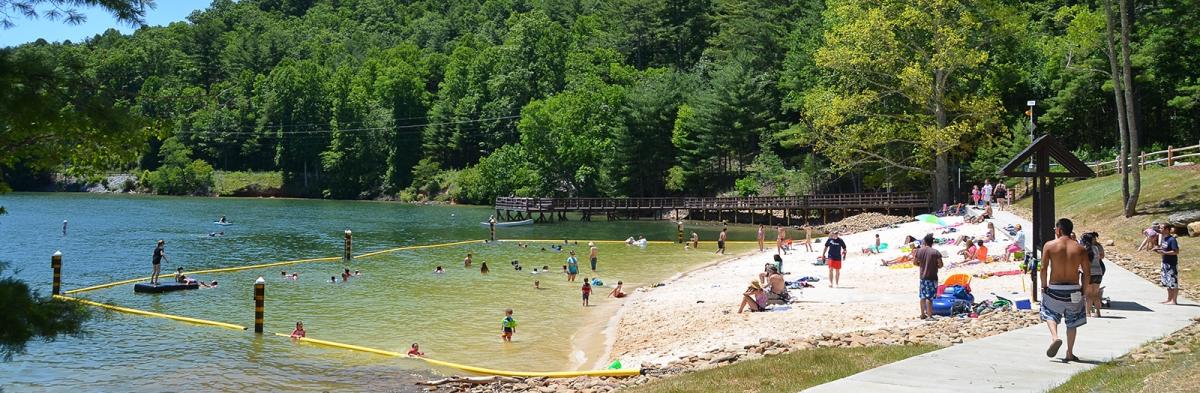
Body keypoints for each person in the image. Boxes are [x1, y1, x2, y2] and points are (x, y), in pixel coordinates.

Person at [1039, 218, 1090, 362]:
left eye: (1055, 229)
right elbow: (1087, 273)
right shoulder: (1080, 248)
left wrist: (1044, 286)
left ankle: (1055, 337)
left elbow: (1043, 268)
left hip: (1055, 287)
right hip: (1074, 289)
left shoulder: (1049, 245)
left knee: (1049, 313)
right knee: (1072, 322)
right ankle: (1070, 352)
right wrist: (1083, 290)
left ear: (1059, 230)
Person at [915, 234, 943, 319]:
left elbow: (915, 262)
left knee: (922, 296)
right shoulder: (935, 252)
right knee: (929, 297)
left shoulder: (919, 251)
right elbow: (941, 264)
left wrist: (922, 265)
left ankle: (923, 314)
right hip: (932, 276)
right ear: (932, 242)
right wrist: (934, 266)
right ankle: (930, 316)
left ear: (925, 242)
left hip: (923, 277)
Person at [1079, 232, 1106, 317]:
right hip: (1098, 273)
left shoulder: (1084, 249)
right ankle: (1098, 312)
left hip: (1089, 274)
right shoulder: (1096, 248)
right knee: (1096, 294)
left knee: (1088, 295)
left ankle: (1088, 313)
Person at [1155, 225, 1181, 305]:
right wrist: (1158, 250)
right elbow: (1164, 249)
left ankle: (1174, 300)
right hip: (1165, 262)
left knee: (1173, 282)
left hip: (1171, 263)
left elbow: (1176, 251)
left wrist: (1165, 253)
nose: (1160, 229)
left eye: (1162, 228)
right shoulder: (1164, 239)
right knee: (1167, 282)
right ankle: (1169, 299)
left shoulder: (1172, 239)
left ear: (1167, 230)